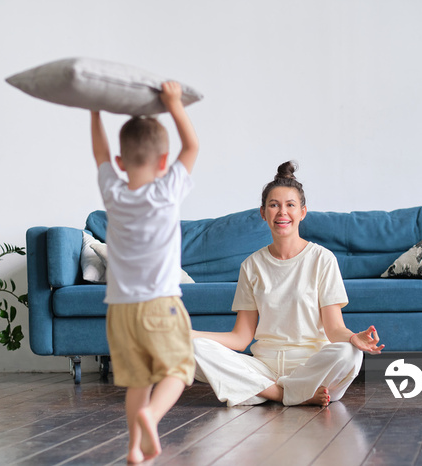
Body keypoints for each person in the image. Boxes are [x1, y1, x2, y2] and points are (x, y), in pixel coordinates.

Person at [192, 161, 383, 407]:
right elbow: (241, 338)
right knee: (195, 349)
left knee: (349, 353)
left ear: (303, 212)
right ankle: (286, 394)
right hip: (264, 367)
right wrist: (191, 335)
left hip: (312, 367)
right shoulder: (251, 266)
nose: (282, 212)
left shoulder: (322, 259)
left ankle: (267, 391)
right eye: (274, 205)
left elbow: (334, 329)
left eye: (290, 205)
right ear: (263, 213)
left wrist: (353, 337)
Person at [90, 81, 199, 463]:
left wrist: (94, 111)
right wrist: (173, 104)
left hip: (119, 310)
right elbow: (193, 147)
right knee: (180, 369)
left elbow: (100, 154)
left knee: (137, 380)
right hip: (160, 304)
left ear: (121, 163)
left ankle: (135, 449)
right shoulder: (167, 190)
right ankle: (152, 416)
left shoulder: (113, 195)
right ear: (163, 161)